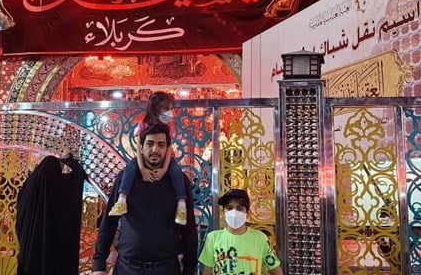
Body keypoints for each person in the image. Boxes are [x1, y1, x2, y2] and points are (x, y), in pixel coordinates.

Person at [92, 123, 198, 275]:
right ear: (141, 148)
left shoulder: (179, 182)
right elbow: (109, 222)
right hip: (127, 268)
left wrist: (189, 268)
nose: (155, 149)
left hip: (166, 269)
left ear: (168, 149)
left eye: (161, 145)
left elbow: (189, 228)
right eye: (150, 144)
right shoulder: (126, 179)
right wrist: (99, 264)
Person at [109, 91, 188, 225]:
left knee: (176, 171)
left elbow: (169, 148)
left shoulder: (169, 125)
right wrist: (142, 168)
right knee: (130, 167)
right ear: (156, 109)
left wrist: (164, 169)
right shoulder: (143, 124)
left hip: (166, 158)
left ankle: (181, 205)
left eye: (171, 109)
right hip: (143, 158)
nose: (170, 113)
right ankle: (122, 200)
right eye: (166, 109)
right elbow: (139, 148)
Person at [199, 189, 283, 275]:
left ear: (248, 213)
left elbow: (276, 271)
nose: (234, 213)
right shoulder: (213, 238)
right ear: (223, 212)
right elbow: (207, 272)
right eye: (229, 208)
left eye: (239, 209)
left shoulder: (260, 238)